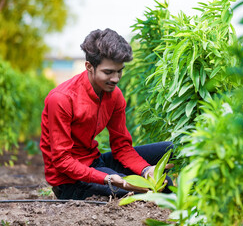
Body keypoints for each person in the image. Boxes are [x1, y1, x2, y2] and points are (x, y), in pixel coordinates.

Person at [39, 28, 173, 200]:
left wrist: (146, 169)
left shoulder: (114, 96)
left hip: (96, 162)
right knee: (162, 186)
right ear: (89, 66)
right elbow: (62, 161)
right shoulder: (61, 99)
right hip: (70, 181)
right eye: (108, 72)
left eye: (119, 71)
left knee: (170, 148)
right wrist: (107, 178)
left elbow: (122, 147)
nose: (116, 78)